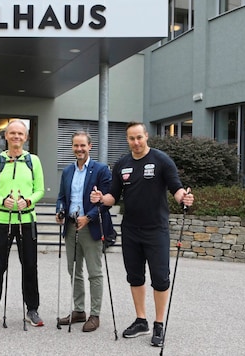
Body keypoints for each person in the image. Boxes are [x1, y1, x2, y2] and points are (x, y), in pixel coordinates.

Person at [90, 121, 194, 347]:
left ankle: (158, 323)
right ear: (127, 140)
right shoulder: (121, 165)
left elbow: (176, 187)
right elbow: (113, 197)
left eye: (139, 137)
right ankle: (141, 320)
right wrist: (100, 199)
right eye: (131, 138)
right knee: (135, 277)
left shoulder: (161, 160)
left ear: (146, 136)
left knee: (160, 278)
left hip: (156, 230)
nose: (136, 142)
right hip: (131, 230)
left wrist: (183, 198)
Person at [0, 120, 45, 327]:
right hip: (2, 219)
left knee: (30, 266)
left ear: (25, 137)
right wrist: (2, 201)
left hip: (27, 220)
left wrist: (28, 201)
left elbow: (40, 190)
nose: (16, 136)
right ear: (6, 136)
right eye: (12, 133)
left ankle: (33, 309)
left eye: (20, 133)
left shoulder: (33, 160)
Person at [55, 131, 116, 332]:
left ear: (90, 146)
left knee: (94, 272)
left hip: (91, 226)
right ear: (72, 147)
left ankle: (95, 314)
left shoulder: (101, 170)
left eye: (83, 145)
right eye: (76, 146)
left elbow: (106, 201)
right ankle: (79, 310)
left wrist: (88, 217)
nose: (79, 149)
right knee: (74, 271)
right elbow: (62, 197)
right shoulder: (67, 171)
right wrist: (60, 211)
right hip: (71, 226)